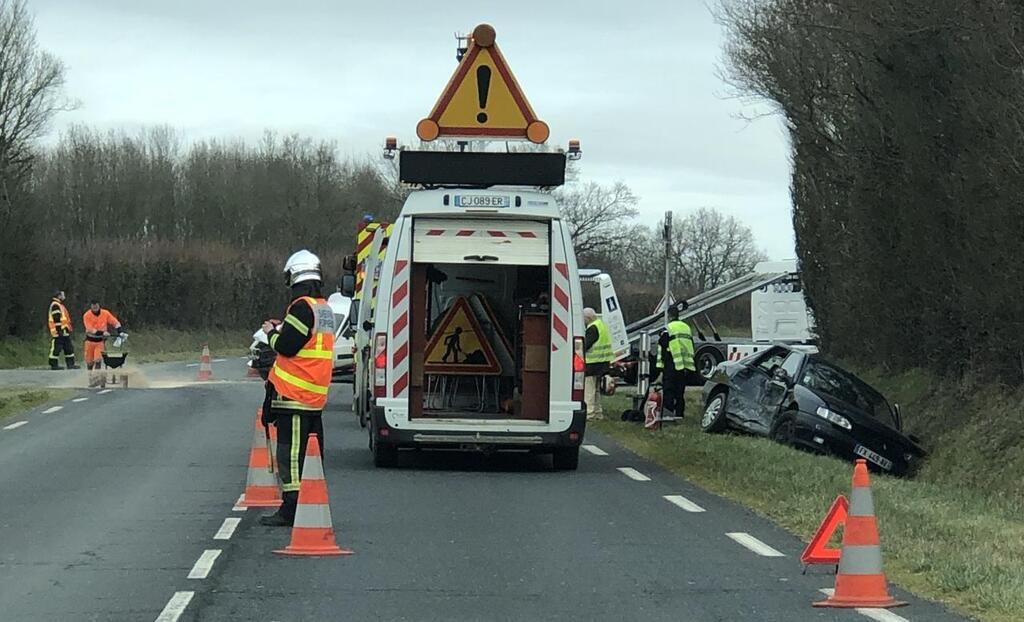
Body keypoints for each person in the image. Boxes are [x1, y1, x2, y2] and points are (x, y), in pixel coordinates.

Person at [260, 249, 336, 527]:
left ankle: (291, 508)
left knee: (290, 454)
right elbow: (307, 338)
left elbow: (287, 346)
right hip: (315, 394)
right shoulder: (323, 308)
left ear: (293, 277)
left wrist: (271, 334)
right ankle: (310, 499)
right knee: (312, 453)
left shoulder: (301, 307)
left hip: (294, 394)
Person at [657, 304, 696, 419]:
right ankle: (679, 414)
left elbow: (663, 344)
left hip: (672, 362)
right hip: (685, 364)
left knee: (669, 389)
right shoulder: (686, 328)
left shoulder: (668, 328)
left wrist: (660, 366)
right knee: (680, 391)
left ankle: (668, 413)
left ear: (669, 316)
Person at [582, 307, 613, 420]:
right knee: (597, 390)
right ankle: (598, 413)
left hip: (592, 363)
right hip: (603, 363)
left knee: (589, 390)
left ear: (588, 318)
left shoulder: (592, 328)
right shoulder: (602, 325)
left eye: (584, 318)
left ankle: (589, 414)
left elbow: (586, 345)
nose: (583, 321)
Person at [82, 300, 123, 385]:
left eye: (96, 306)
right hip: (89, 341)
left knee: (98, 360)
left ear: (99, 305)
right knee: (89, 362)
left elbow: (115, 322)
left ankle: (98, 379)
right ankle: (91, 378)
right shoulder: (86, 315)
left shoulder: (105, 313)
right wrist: (102, 332)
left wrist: (120, 331)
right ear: (90, 307)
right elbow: (90, 329)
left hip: (100, 341)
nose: (95, 308)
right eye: (93, 306)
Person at [47, 290, 78, 370]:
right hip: (58, 332)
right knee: (57, 348)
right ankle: (53, 364)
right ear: (59, 296)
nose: (64, 296)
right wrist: (59, 330)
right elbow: (56, 319)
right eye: (62, 295)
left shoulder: (60, 305)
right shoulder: (55, 305)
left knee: (69, 348)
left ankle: (70, 364)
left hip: (64, 331)